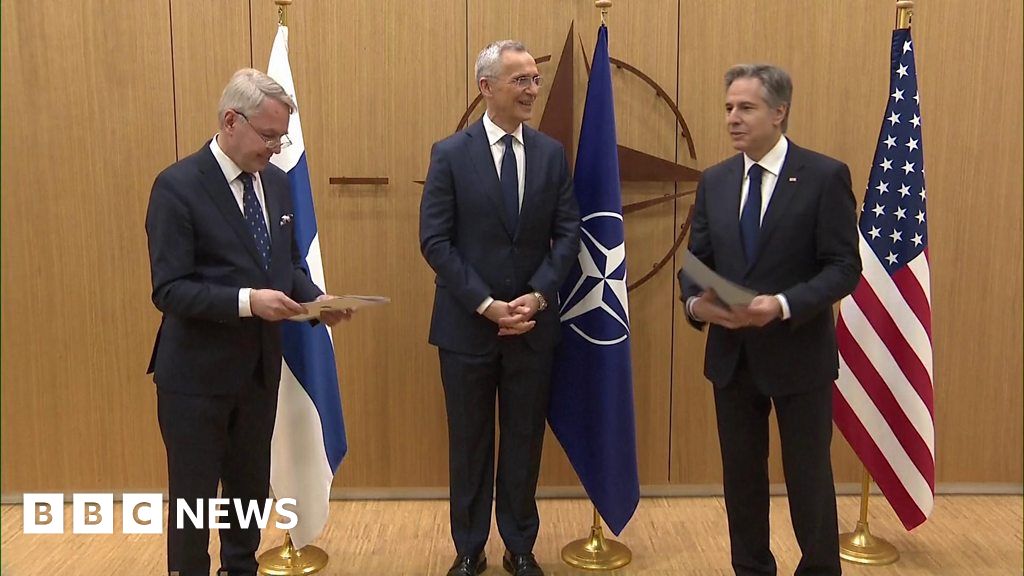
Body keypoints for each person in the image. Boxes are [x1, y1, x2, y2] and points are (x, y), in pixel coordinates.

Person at [146, 68, 349, 576]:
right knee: (194, 502)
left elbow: (286, 267)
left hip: (258, 372)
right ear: (231, 121)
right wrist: (247, 301)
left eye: (281, 138)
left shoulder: (276, 184)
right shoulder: (177, 186)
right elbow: (169, 289)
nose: (276, 148)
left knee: (248, 493)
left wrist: (318, 301)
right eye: (268, 136)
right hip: (195, 378)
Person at [678, 64, 861, 576]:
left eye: (746, 108)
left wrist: (780, 304)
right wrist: (696, 305)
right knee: (741, 480)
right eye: (728, 108)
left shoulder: (824, 176)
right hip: (732, 358)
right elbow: (696, 262)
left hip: (799, 355)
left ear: (779, 112)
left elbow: (844, 268)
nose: (732, 119)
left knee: (808, 479)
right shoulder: (715, 180)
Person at [419, 40, 580, 576]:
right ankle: (469, 548)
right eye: (521, 80)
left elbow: (568, 232)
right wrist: (486, 304)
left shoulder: (551, 154)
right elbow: (435, 240)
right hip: (466, 328)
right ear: (486, 87)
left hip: (532, 326)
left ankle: (519, 545)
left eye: (535, 79)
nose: (532, 89)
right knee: (468, 443)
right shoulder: (450, 154)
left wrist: (538, 295)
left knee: (523, 441)